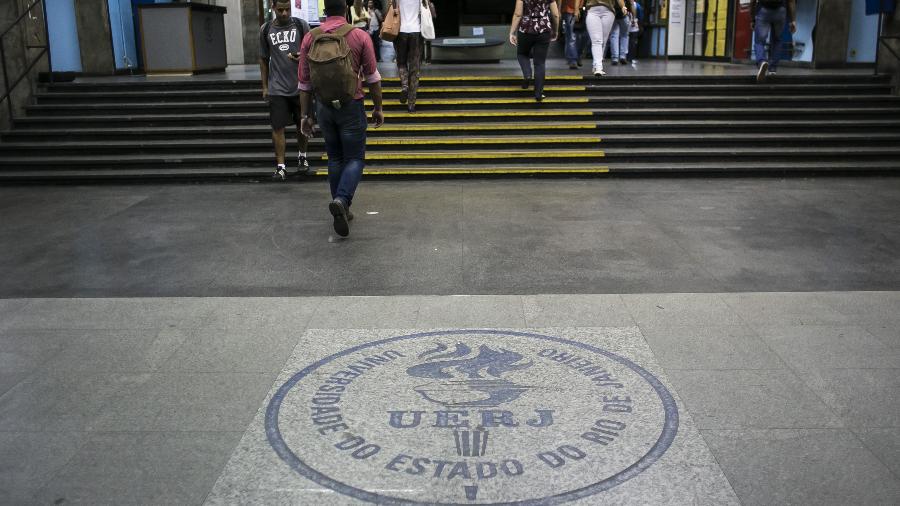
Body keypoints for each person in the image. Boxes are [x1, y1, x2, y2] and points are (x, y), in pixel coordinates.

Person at [298, 0, 384, 238]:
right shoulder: (359, 36)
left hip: (323, 107)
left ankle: (341, 207)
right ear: (345, 9)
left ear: (325, 11)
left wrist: (306, 115)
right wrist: (378, 107)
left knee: (335, 157)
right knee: (354, 157)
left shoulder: (310, 38)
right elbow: (372, 77)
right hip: (351, 105)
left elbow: (304, 83)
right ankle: (342, 200)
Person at [259, 0, 312, 180]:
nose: (284, 13)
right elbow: (263, 59)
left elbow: (313, 51)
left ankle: (302, 158)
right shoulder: (266, 29)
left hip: (300, 87)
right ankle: (281, 167)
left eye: (287, 9)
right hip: (277, 88)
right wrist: (265, 86)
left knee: (302, 125)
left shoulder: (300, 25)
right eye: (280, 10)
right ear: (273, 8)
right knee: (277, 127)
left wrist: (302, 58)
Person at [509, 0, 560, 102]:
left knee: (522, 53)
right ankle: (538, 94)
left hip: (526, 28)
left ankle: (527, 74)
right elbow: (555, 15)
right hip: (544, 29)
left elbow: (518, 14)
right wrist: (556, 30)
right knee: (540, 63)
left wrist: (512, 32)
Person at [393, 0, 435, 113]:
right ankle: (411, 105)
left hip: (401, 31)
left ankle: (405, 86)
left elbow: (390, 11)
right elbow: (433, 13)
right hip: (416, 32)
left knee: (401, 63)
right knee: (414, 69)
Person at [750, 0, 796, 82]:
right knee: (777, 40)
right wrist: (793, 20)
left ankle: (762, 62)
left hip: (763, 10)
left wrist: (752, 18)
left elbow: (752, 1)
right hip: (780, 11)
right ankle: (773, 69)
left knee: (759, 41)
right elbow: (791, 1)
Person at [584, 0, 629, 77]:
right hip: (592, 10)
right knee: (597, 40)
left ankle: (596, 64)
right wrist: (576, 9)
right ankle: (598, 67)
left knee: (603, 41)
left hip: (608, 10)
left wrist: (623, 6)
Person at [560, 0, 585, 69]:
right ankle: (573, 59)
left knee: (577, 36)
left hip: (580, 9)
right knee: (572, 36)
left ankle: (575, 56)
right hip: (569, 10)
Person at [608, 0, 635, 66]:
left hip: (613, 14)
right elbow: (631, 4)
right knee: (625, 36)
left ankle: (615, 58)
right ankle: (623, 56)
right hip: (624, 15)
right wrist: (633, 17)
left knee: (614, 35)